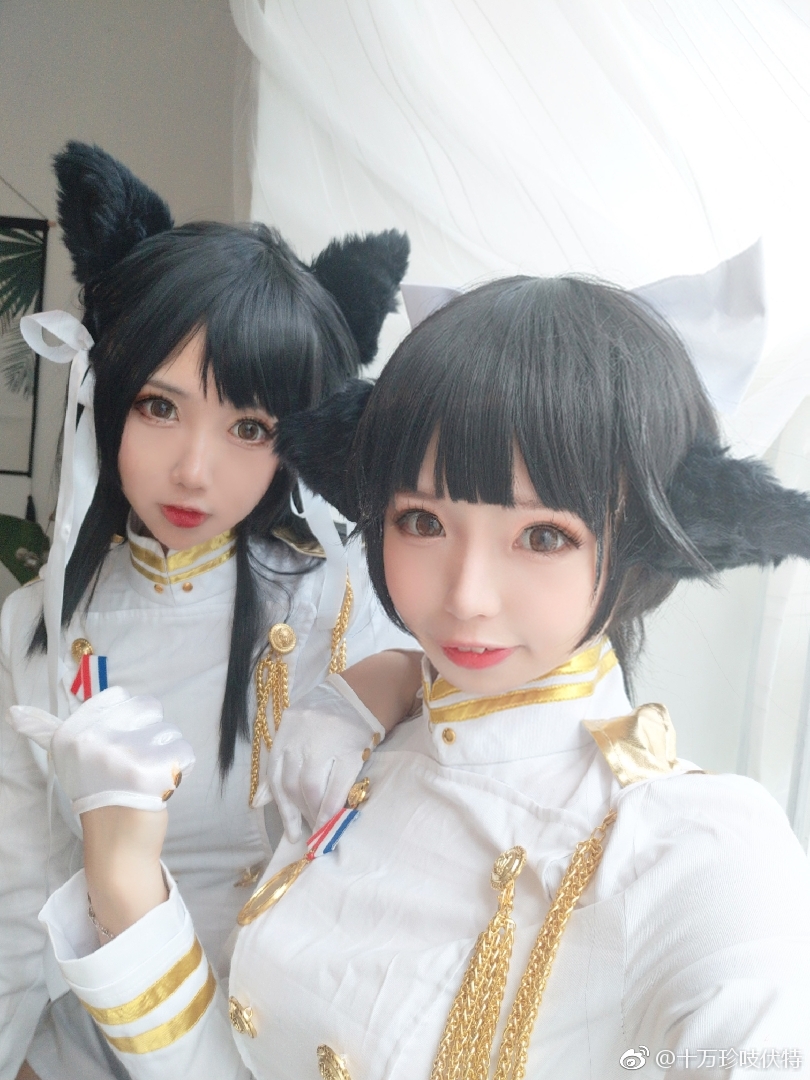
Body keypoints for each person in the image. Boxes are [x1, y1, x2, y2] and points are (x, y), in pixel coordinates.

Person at [19, 276, 810, 1078]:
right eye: (422, 521)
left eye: (543, 537)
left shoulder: (691, 846)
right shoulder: (369, 753)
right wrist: (124, 884)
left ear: (639, 541)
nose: (465, 596)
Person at [0, 143, 416, 1080]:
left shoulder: (350, 604)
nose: (194, 470)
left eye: (250, 427)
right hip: (88, 1049)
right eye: (159, 407)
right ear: (107, 396)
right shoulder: (36, 625)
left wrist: (386, 686)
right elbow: (16, 889)